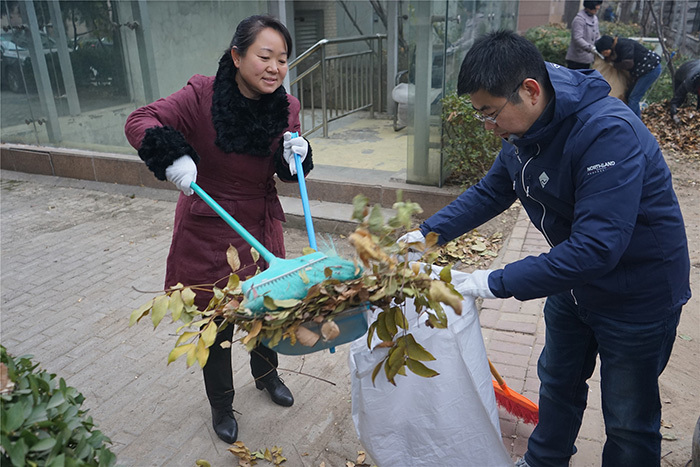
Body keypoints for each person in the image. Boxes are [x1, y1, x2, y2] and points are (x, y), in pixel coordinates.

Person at [400, 30, 690, 467]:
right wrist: (428, 234)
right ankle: (544, 461)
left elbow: (596, 248)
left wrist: (488, 282)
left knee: (629, 419)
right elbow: (493, 191)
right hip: (572, 285)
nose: (488, 126)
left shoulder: (608, 132)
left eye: (490, 113)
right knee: (557, 383)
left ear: (530, 91)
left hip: (637, 295)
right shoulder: (524, 128)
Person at [124, 15, 313, 444]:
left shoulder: (288, 106)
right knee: (219, 323)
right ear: (236, 55)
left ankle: (267, 376)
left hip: (260, 226)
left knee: (266, 311)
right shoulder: (200, 95)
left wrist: (297, 155)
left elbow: (287, 174)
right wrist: (171, 154)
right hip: (209, 227)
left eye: (282, 60)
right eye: (265, 56)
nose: (274, 68)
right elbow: (141, 119)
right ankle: (222, 404)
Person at [595, 34, 661, 117]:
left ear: (609, 46)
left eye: (605, 52)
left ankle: (630, 121)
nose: (605, 55)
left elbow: (628, 64)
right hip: (641, 71)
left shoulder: (624, 45)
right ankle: (637, 119)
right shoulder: (616, 48)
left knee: (633, 98)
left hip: (651, 69)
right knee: (628, 95)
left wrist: (614, 65)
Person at [565, 0, 602, 70]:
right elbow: (577, 38)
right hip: (576, 59)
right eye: (596, 5)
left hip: (588, 59)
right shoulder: (579, 19)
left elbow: (597, 35)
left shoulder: (595, 18)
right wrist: (590, 48)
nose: (598, 7)